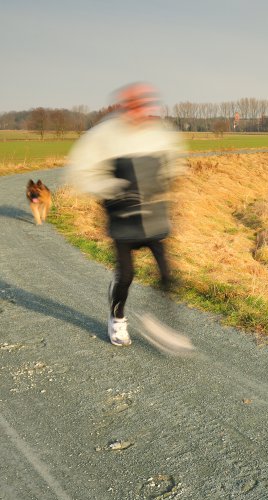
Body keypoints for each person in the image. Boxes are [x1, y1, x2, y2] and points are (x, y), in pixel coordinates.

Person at [66, 82, 191, 352]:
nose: (141, 111)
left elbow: (177, 161)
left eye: (145, 104)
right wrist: (113, 189)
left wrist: (170, 178)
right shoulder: (103, 135)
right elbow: (81, 172)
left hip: (155, 215)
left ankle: (161, 324)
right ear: (123, 106)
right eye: (134, 105)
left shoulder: (161, 132)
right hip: (123, 218)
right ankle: (118, 317)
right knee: (126, 275)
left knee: (168, 275)